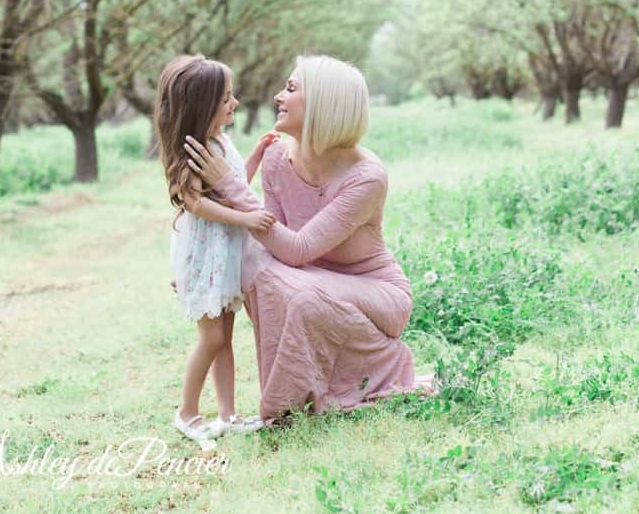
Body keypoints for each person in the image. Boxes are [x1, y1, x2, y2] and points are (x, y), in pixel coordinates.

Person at [184, 54, 434, 423]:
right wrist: (195, 267)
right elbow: (270, 240)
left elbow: (297, 249)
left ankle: (288, 406)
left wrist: (230, 184)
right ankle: (305, 390)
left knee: (295, 291)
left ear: (322, 103)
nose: (277, 98)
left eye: (290, 88)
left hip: (373, 291)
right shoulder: (274, 158)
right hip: (302, 278)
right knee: (254, 260)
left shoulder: (366, 176)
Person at [153, 54, 278, 443]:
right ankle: (187, 412)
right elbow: (194, 202)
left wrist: (254, 157)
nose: (234, 103)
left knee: (225, 338)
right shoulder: (193, 148)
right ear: (203, 104)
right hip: (206, 255)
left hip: (223, 254)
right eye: (226, 98)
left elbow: (230, 188)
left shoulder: (221, 142)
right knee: (210, 339)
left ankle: (229, 414)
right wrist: (246, 221)